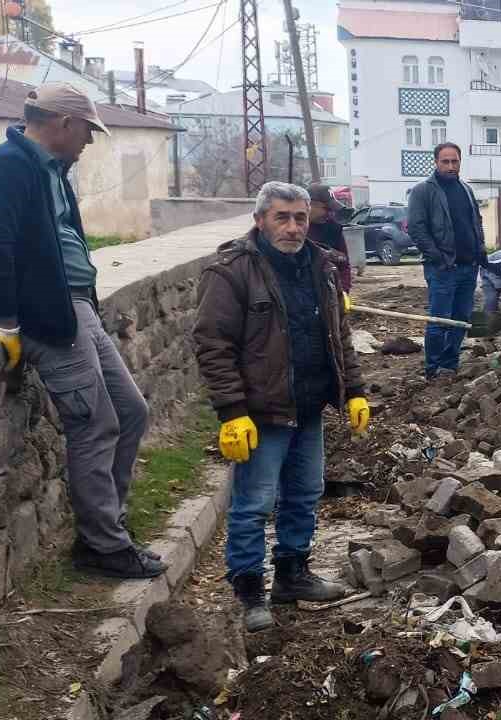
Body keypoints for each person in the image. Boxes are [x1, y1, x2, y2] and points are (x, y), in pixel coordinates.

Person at [0, 83, 165, 580]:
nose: (90, 142)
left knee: (130, 412)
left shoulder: (50, 170)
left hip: (76, 311)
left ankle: (107, 527)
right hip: (47, 319)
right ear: (62, 123)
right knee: (95, 424)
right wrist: (8, 323)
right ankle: (103, 546)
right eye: (87, 132)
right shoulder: (6, 167)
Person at [192, 181, 369, 632]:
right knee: (254, 502)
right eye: (282, 218)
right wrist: (232, 412)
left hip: (309, 404)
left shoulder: (321, 267)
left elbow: (338, 335)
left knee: (305, 493)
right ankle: (249, 588)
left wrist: (354, 390)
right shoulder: (231, 272)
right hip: (261, 411)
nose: (292, 228)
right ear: (260, 220)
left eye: (300, 218)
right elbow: (213, 345)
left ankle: (292, 573)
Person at [408, 143, 486, 380]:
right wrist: (438, 258)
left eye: (455, 161)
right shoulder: (423, 191)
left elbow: (476, 220)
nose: (451, 166)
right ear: (436, 162)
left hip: (468, 267)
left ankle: (449, 365)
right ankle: (433, 369)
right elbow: (416, 228)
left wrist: (480, 249)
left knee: (461, 319)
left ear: (460, 162)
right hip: (442, 269)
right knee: (439, 320)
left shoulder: (465, 189)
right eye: (445, 162)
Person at [307, 183, 352, 292]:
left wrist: (343, 292)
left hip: (327, 293)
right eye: (326, 208)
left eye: (332, 209)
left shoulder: (334, 229)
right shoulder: (293, 229)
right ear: (309, 205)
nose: (330, 213)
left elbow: (344, 265)